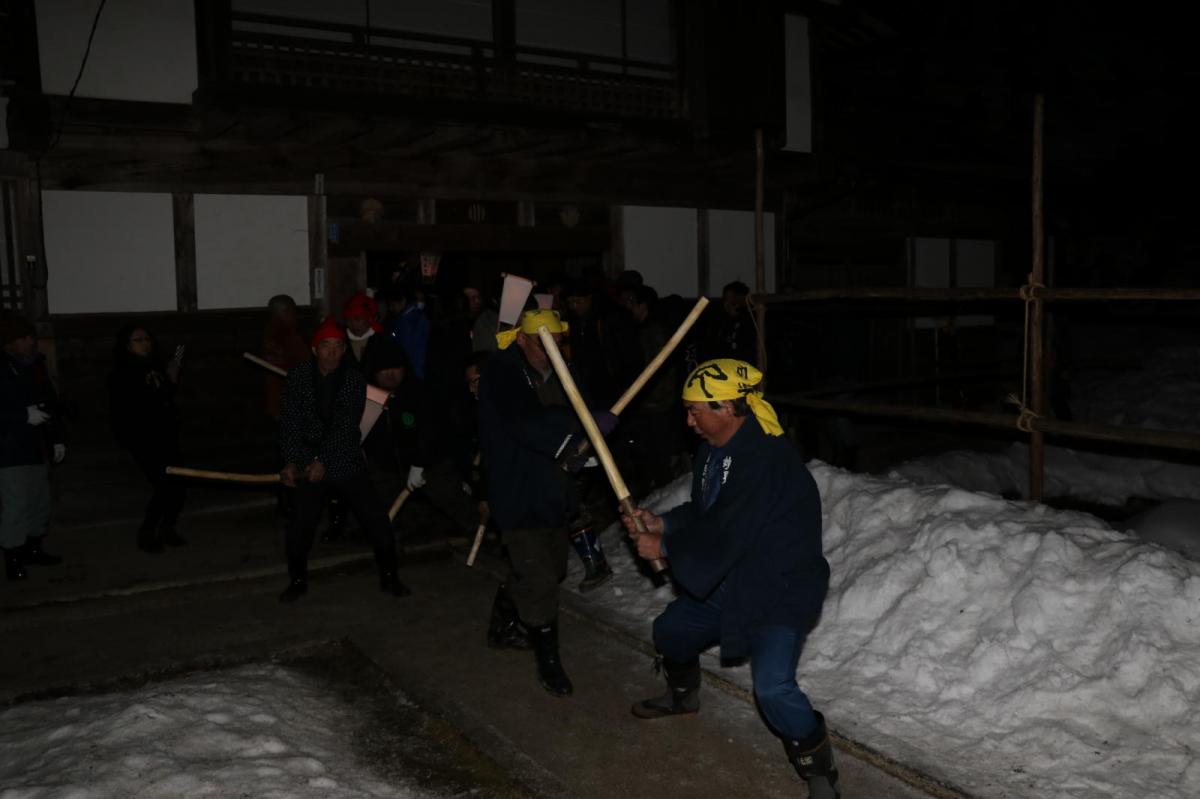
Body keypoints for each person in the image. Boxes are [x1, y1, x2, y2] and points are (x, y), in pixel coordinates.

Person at [621, 358, 839, 798]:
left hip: (780, 585)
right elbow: (708, 514)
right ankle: (683, 696)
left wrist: (664, 548)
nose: (688, 421)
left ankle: (818, 769)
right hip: (733, 578)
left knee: (773, 688)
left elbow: (728, 532)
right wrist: (663, 523)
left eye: (695, 411)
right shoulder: (714, 449)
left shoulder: (765, 459)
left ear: (726, 408)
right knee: (671, 630)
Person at [478, 308, 616, 696]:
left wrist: (591, 431)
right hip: (518, 485)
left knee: (546, 566)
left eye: (559, 342)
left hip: (555, 488)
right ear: (522, 339)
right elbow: (525, 419)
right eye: (544, 343)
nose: (553, 350)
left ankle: (502, 625)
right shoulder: (501, 372)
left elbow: (578, 408)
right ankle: (549, 664)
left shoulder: (562, 370)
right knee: (539, 576)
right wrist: (577, 429)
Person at [277, 316, 410, 602]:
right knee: (301, 524)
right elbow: (290, 422)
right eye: (326, 345)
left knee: (376, 520)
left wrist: (323, 460)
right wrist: (291, 461)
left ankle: (390, 577)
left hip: (344, 457)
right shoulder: (298, 377)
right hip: (305, 458)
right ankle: (297, 580)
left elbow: (345, 424)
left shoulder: (353, 379)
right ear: (315, 349)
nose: (333, 352)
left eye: (339, 346)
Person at [109, 324, 188, 553]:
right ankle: (148, 531)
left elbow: (165, 397)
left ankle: (168, 528)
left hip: (166, 435)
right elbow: (137, 404)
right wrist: (168, 381)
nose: (145, 343)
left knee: (179, 484)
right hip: (143, 437)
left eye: (147, 339)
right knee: (164, 484)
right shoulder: (123, 373)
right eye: (138, 340)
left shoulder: (155, 366)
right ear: (127, 345)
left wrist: (169, 379)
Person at [0, 315, 65, 580]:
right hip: (8, 449)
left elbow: (50, 403)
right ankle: (13, 556)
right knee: (16, 505)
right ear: (10, 343)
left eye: (30, 338)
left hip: (36, 446)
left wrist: (58, 438)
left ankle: (33, 548)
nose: (29, 343)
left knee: (40, 501)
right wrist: (21, 415)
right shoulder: (1, 369)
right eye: (22, 339)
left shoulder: (36, 366)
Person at [262, 294, 309, 420]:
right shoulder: (289, 336)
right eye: (293, 312)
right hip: (289, 403)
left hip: (272, 404)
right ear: (286, 311)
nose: (295, 316)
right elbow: (306, 365)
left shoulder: (266, 335)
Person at [705, 281, 758, 365]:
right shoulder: (719, 321)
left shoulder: (751, 321)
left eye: (734, 300)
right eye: (726, 300)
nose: (730, 305)